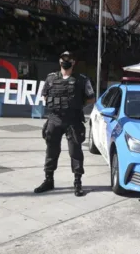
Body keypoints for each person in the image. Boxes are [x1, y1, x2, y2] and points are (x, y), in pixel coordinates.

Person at [34, 51, 96, 197]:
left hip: (73, 120)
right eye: (63, 58)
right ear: (59, 60)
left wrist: (77, 104)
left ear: (73, 62)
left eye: (69, 59)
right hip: (54, 119)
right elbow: (44, 95)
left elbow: (91, 99)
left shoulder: (82, 79)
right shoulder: (50, 78)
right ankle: (48, 180)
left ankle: (77, 183)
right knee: (51, 151)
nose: (66, 61)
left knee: (75, 152)